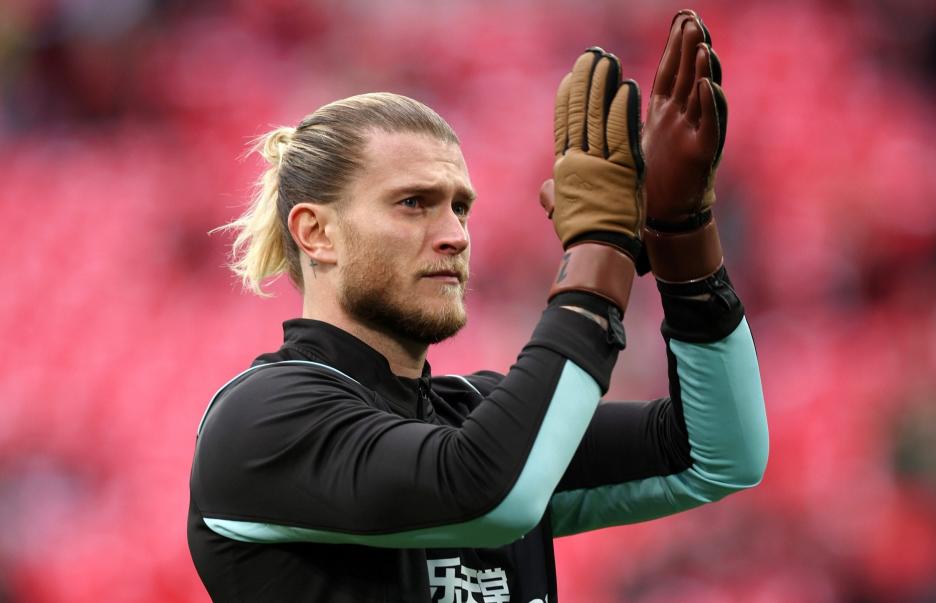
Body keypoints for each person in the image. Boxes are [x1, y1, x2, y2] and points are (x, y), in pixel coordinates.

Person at [188, 10, 768, 602]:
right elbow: (487, 490)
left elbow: (719, 453)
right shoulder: (261, 420)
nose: (455, 235)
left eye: (459, 207)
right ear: (317, 233)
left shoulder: (475, 414)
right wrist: (601, 252)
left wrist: (682, 240)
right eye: (414, 203)